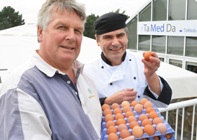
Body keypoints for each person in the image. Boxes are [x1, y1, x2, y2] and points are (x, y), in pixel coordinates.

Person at [0, 0, 102, 139]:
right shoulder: (22, 88)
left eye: (77, 30)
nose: (72, 37)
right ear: (40, 33)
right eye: (62, 27)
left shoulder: (84, 76)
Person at [83, 12, 172, 108]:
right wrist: (108, 101)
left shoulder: (141, 62)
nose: (115, 43)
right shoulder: (87, 72)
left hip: (140, 122)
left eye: (120, 35)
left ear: (127, 37)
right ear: (97, 40)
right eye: (108, 37)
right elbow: (83, 107)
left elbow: (163, 102)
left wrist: (150, 75)